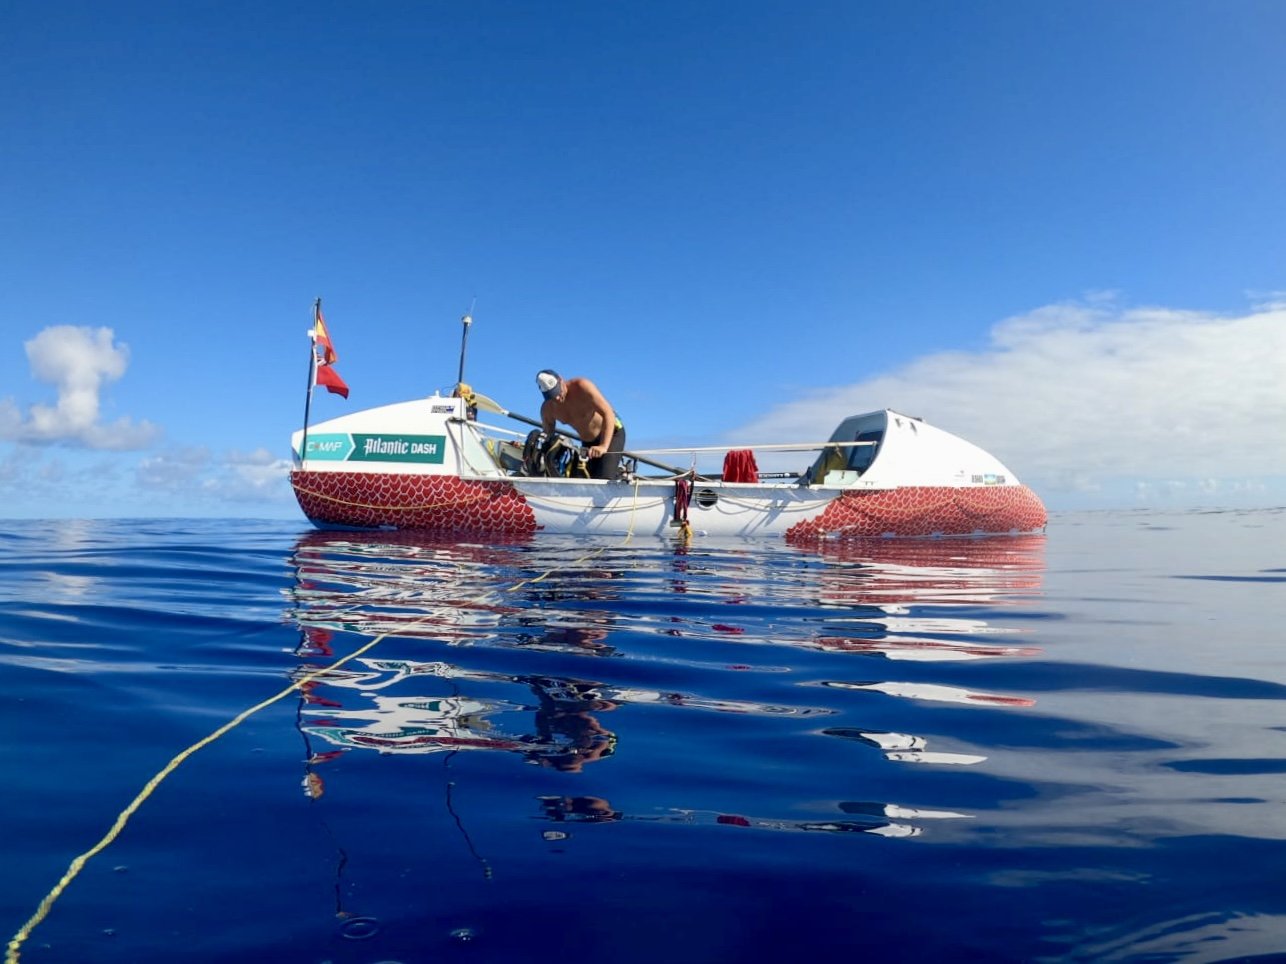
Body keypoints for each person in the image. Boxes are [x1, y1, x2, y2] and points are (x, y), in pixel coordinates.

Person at [535, 369, 626, 480]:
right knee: (582, 480)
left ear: (561, 381)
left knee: (604, 478)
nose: (557, 398)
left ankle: (617, 471)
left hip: (611, 434)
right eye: (551, 396)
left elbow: (609, 414)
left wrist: (603, 446)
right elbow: (547, 435)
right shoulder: (547, 409)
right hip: (588, 443)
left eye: (557, 392)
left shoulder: (582, 387)